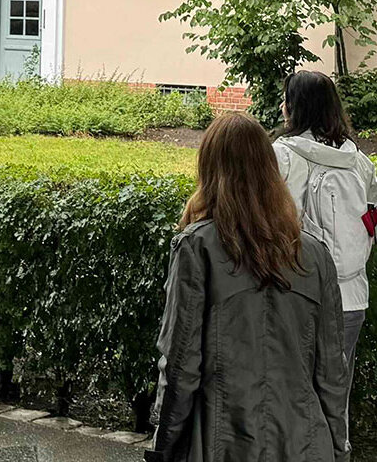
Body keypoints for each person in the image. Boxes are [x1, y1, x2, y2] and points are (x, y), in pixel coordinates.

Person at [146, 112, 349, 462]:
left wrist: (162, 446)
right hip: (306, 443)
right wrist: (338, 447)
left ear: (209, 170)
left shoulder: (197, 247)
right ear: (270, 169)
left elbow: (181, 368)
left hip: (220, 441)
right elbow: (332, 371)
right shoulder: (315, 254)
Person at [273, 70, 377, 400]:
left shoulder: (281, 156)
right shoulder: (360, 163)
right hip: (351, 298)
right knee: (335, 404)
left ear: (293, 107)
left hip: (296, 298)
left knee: (292, 405)